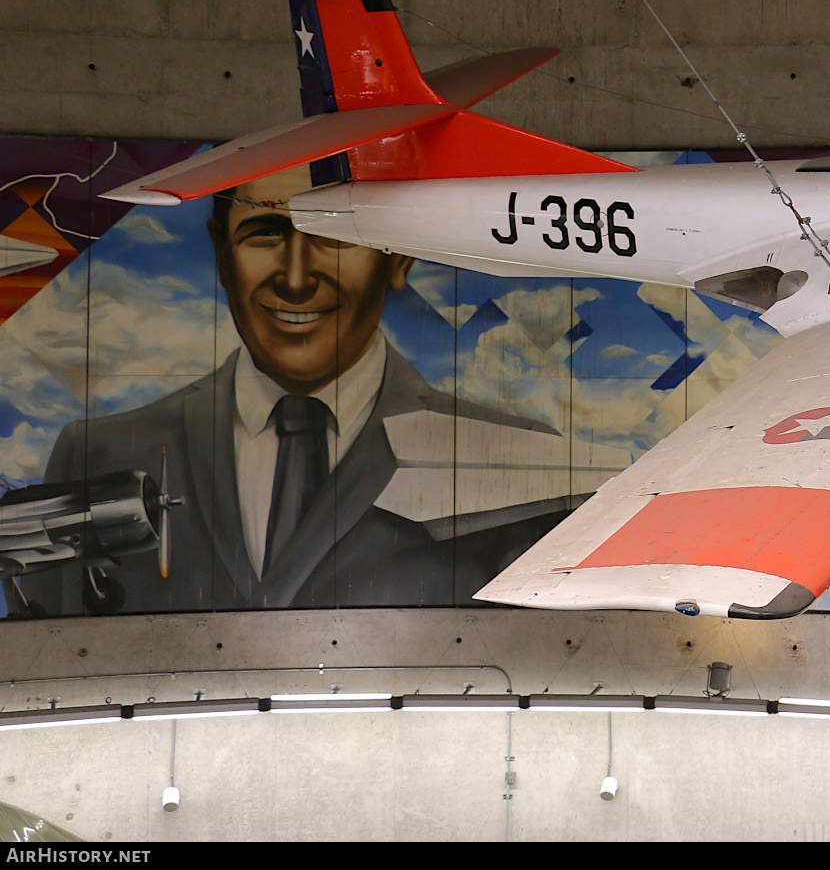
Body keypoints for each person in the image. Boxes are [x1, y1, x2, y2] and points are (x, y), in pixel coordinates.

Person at [23, 167, 579, 614]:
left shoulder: (523, 464)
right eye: (265, 233)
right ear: (221, 254)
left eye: (335, 236)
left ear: (399, 256)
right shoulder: (98, 454)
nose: (295, 277)